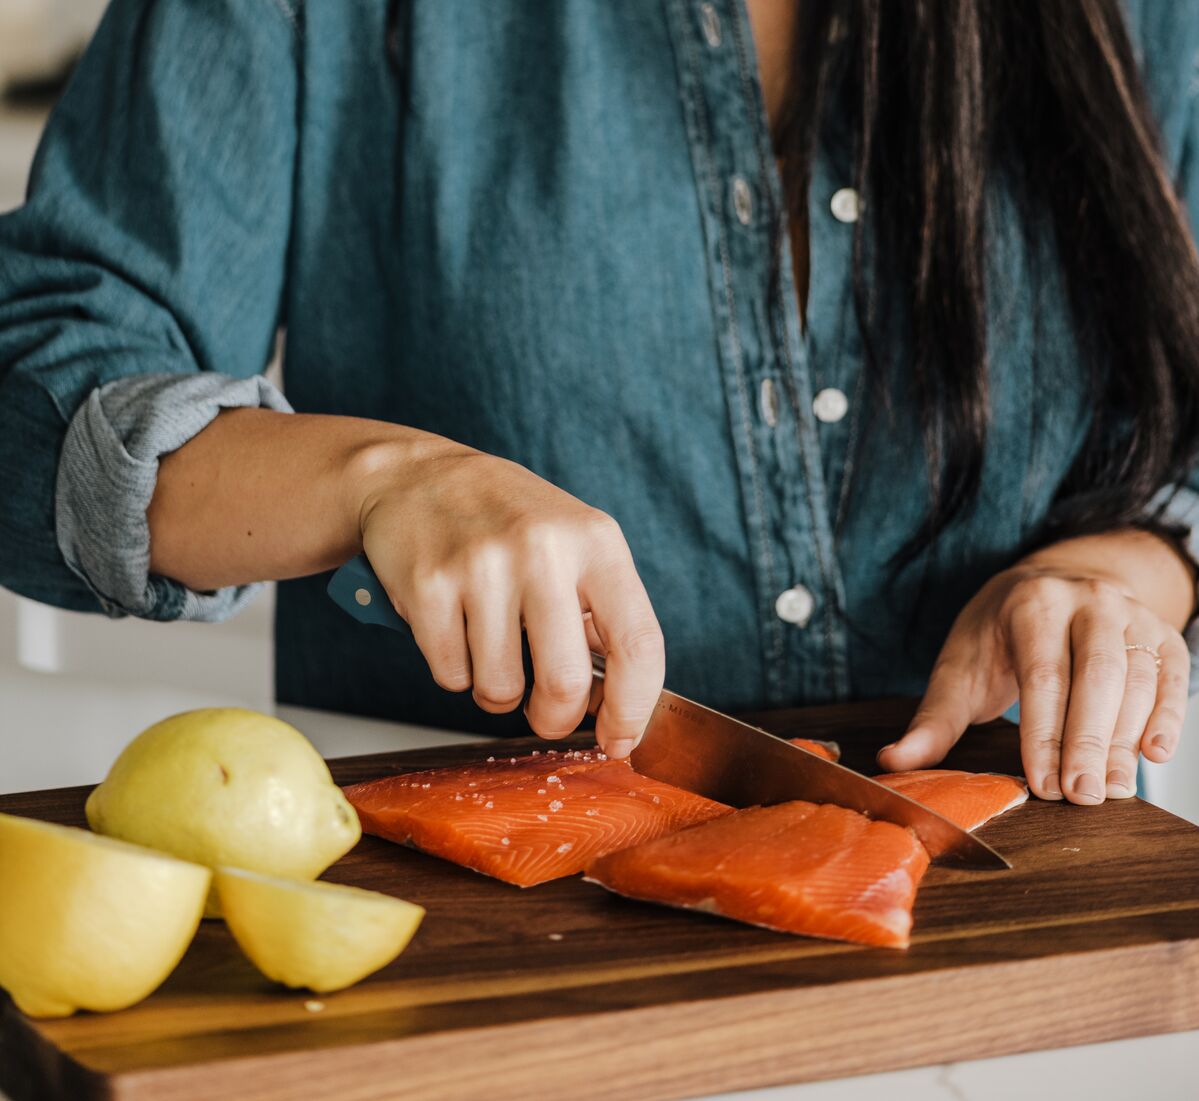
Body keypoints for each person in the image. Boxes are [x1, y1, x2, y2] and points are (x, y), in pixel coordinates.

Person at [1, 0, 1197, 808]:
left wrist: (1118, 572)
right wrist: (383, 481)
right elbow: (41, 390)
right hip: (476, 962)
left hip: (1037, 939)